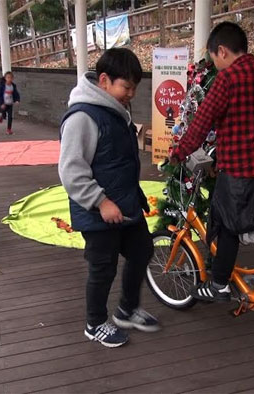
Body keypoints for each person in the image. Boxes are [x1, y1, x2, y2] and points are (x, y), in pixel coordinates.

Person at [170, 22, 254, 302]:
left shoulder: (227, 80)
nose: (215, 65)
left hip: (239, 171)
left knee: (227, 223)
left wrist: (178, 153)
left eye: (214, 59)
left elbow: (199, 126)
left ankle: (219, 284)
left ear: (222, 51)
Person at [58, 48, 160, 348]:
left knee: (142, 251)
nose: (131, 94)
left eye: (134, 88)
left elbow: (119, 161)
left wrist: (134, 195)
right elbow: (70, 170)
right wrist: (100, 202)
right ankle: (95, 323)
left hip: (126, 205)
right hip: (97, 211)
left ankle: (127, 309)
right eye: (126, 87)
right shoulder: (82, 117)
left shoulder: (115, 110)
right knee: (102, 268)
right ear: (104, 80)